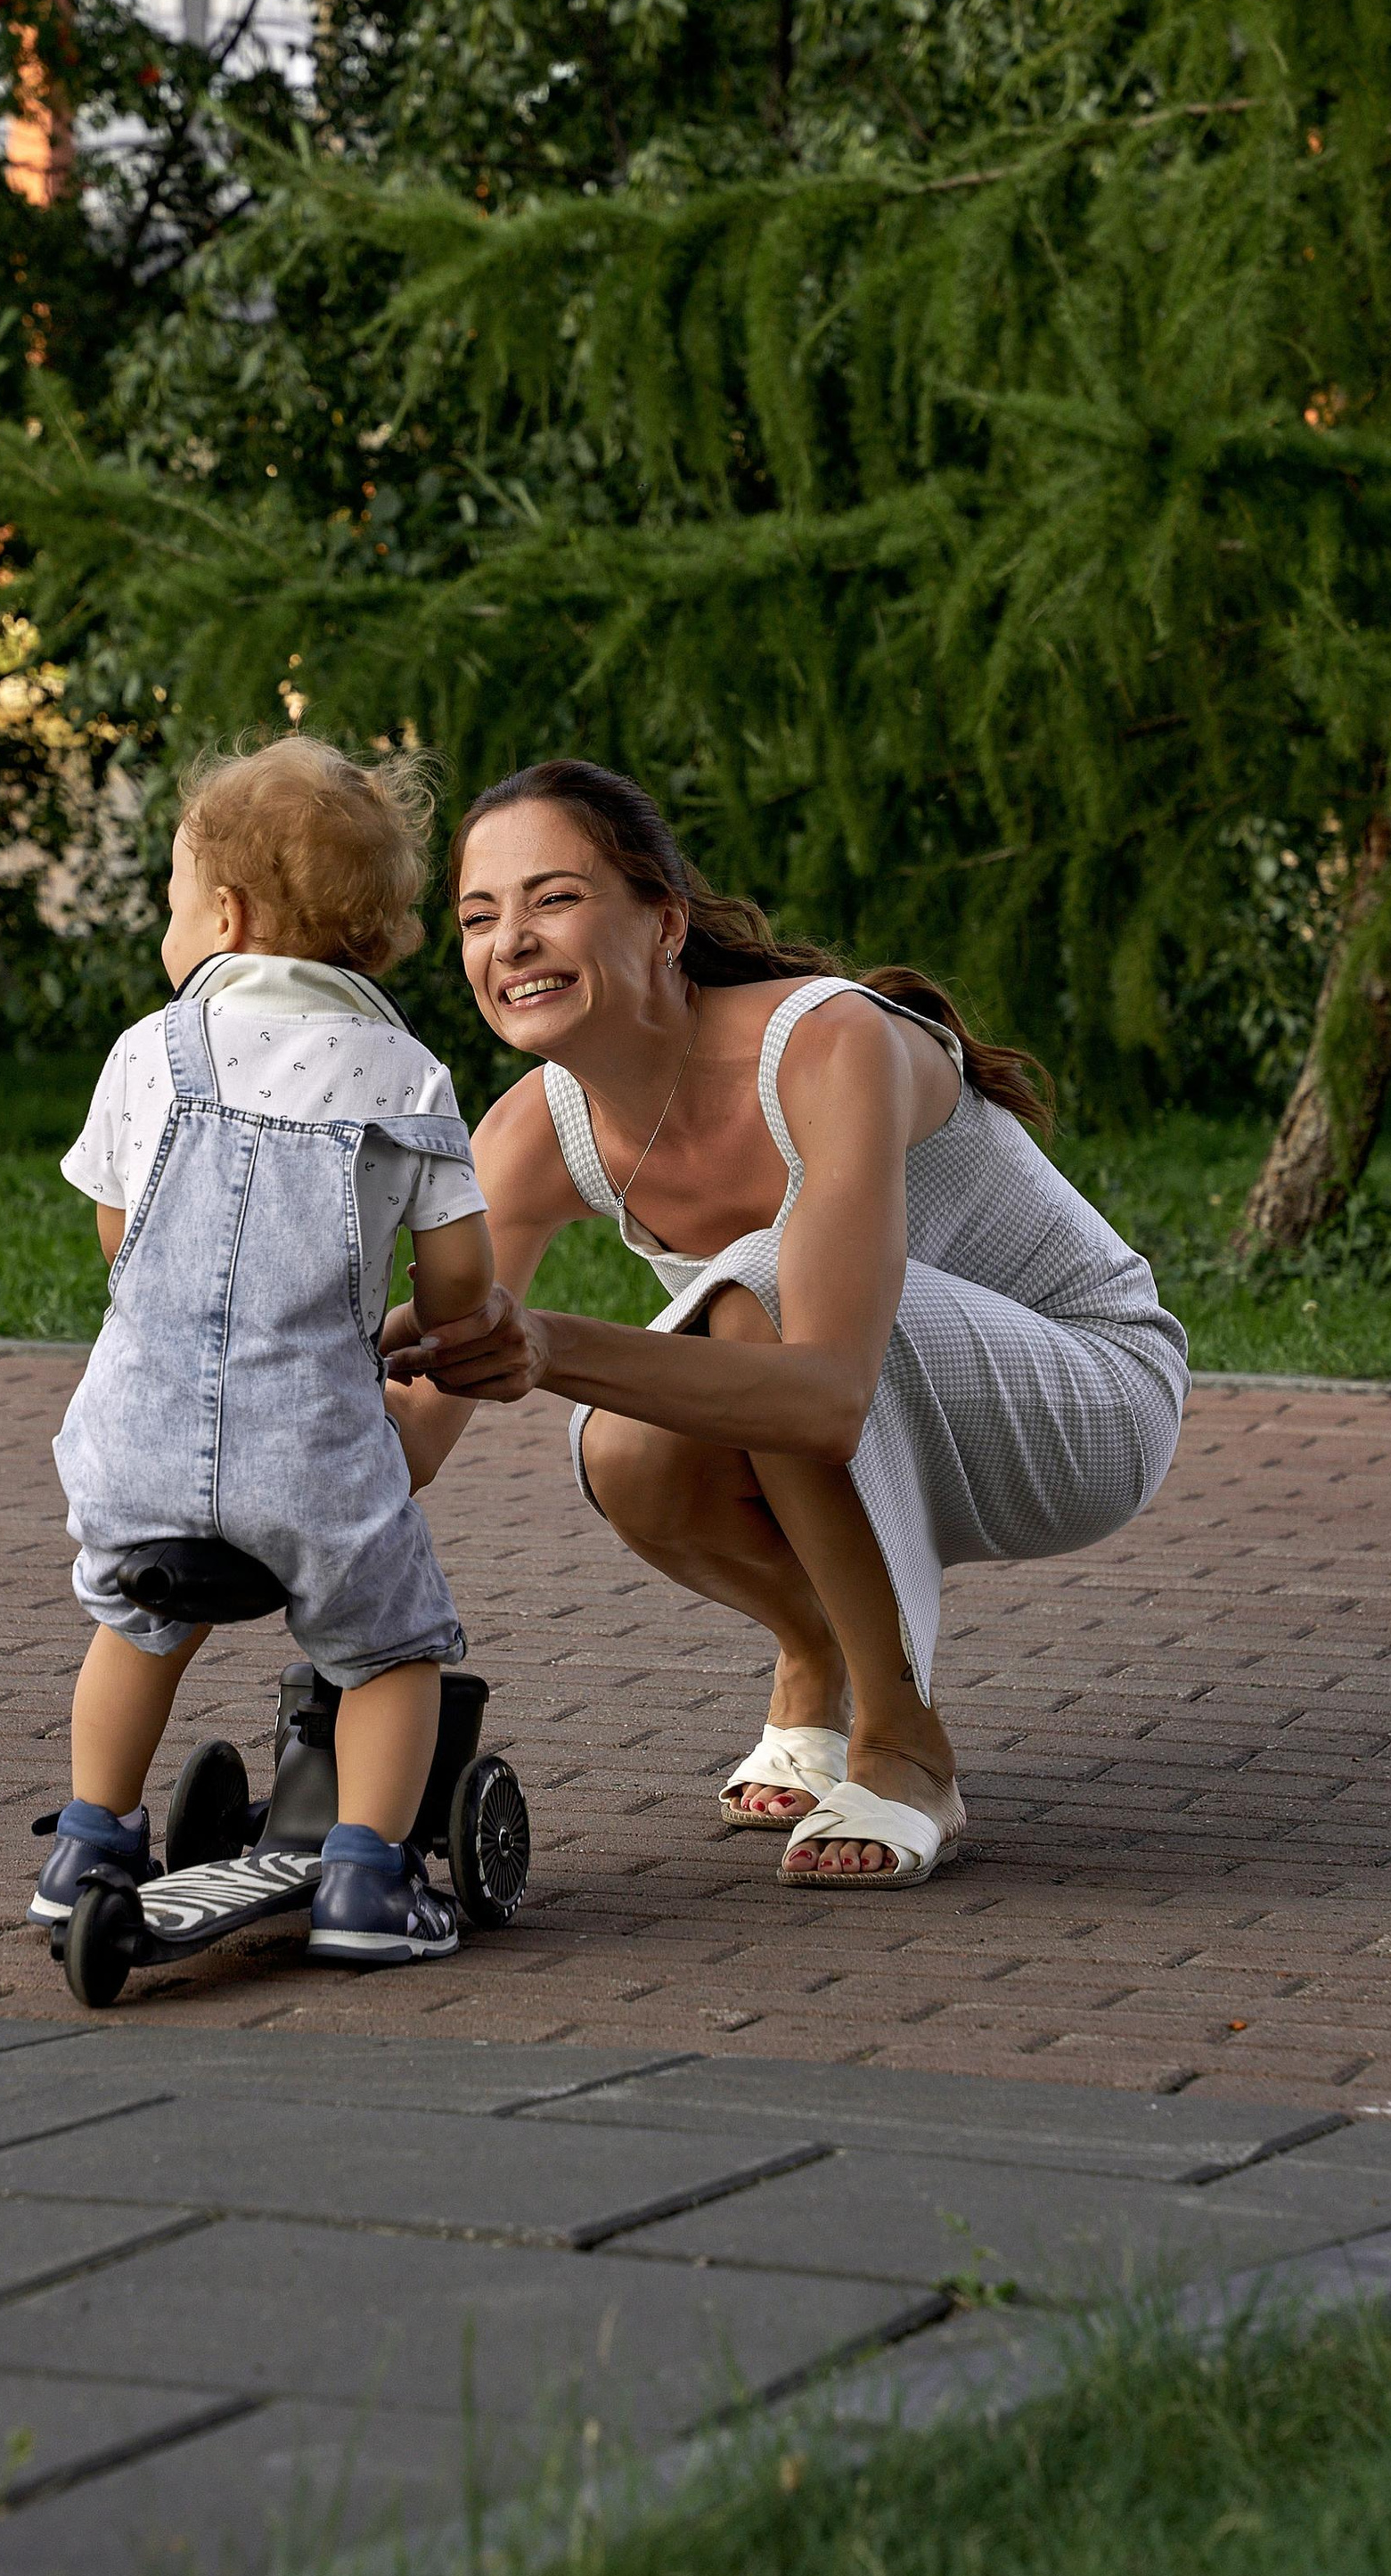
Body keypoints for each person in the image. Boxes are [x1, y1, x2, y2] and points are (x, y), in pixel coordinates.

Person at [384, 761, 1188, 1890]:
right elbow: (408, 1429)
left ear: (662, 922)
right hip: (883, 1422)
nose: (508, 940)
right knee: (623, 1445)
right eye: (478, 916)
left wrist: (552, 1348)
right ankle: (816, 1653)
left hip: (1090, 1400)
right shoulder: (529, 1131)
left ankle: (906, 1746)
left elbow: (824, 1396)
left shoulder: (823, 1044)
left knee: (750, 1301)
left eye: (552, 898)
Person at [33, 736, 498, 1967]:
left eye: (174, 902)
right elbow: (459, 1288)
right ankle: (363, 1879)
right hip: (310, 1451)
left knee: (138, 1623)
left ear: (227, 917)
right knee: (393, 1645)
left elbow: (119, 1238)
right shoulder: (408, 1076)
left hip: (134, 1438)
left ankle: (91, 1839)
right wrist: (414, 1326)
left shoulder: (151, 1052)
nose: (169, 928)